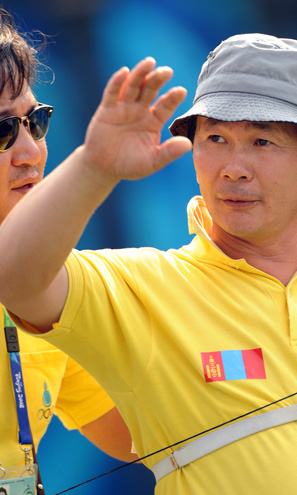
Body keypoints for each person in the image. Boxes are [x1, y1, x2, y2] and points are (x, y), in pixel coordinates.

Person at [0, 27, 297, 495]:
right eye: (215, 138)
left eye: (263, 141)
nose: (233, 167)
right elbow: (16, 279)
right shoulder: (136, 285)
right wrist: (95, 166)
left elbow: (152, 431)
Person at [0, 7, 137, 486]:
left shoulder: (52, 285)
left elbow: (154, 433)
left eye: (34, 121)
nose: (31, 151)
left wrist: (285, 291)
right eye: (1, 131)